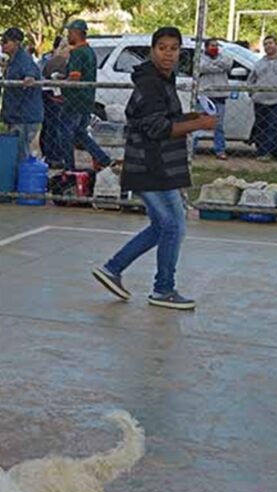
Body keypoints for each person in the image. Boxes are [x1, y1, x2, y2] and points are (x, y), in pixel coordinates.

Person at [92, 27, 216, 312]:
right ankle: (163, 289)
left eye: (174, 48)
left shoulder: (162, 79)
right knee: (173, 226)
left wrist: (191, 117)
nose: (168, 53)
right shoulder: (150, 82)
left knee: (165, 226)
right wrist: (199, 125)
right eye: (163, 47)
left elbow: (163, 118)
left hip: (158, 163)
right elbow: (157, 128)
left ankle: (113, 268)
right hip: (150, 164)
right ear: (152, 49)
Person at [59, 19, 112, 171]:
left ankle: (69, 167)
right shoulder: (90, 51)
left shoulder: (77, 52)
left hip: (74, 100)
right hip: (87, 99)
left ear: (76, 33)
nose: (68, 35)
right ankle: (103, 159)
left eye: (69, 32)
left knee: (65, 134)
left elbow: (75, 77)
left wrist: (60, 82)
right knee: (80, 134)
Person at [0, 27, 43, 162]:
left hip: (24, 116)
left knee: (21, 154)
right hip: (17, 115)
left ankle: (24, 182)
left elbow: (30, 72)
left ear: (16, 43)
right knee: (17, 152)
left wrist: (29, 78)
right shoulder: (12, 61)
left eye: (6, 41)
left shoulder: (23, 59)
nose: (2, 44)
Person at [247, 35, 277, 160]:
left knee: (273, 127)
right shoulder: (259, 63)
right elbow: (251, 80)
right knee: (261, 127)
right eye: (265, 44)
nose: (268, 46)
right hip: (260, 101)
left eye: (270, 43)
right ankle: (261, 151)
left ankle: (266, 154)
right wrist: (252, 93)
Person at [197, 39, 233, 160]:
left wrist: (213, 65)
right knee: (199, 124)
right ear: (206, 47)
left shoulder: (224, 57)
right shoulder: (199, 57)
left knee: (219, 125)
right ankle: (191, 150)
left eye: (216, 45)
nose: (215, 47)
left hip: (220, 96)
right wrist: (218, 66)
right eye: (212, 45)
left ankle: (220, 150)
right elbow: (201, 67)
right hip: (205, 96)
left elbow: (228, 65)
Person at [40, 38, 70, 166]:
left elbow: (45, 74)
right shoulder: (63, 62)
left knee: (48, 127)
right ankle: (55, 156)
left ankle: (48, 154)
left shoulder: (50, 61)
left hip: (47, 95)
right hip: (56, 97)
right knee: (56, 127)